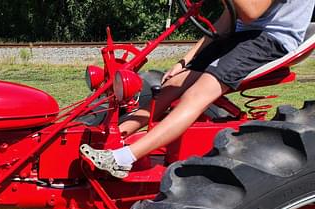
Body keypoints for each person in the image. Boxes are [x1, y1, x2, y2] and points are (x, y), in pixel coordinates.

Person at [80, 0, 315, 178]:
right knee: (169, 86)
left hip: (270, 40)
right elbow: (228, 21)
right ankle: (114, 140)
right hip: (243, 35)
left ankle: (123, 158)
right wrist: (186, 61)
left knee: (195, 95)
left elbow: (251, 12)